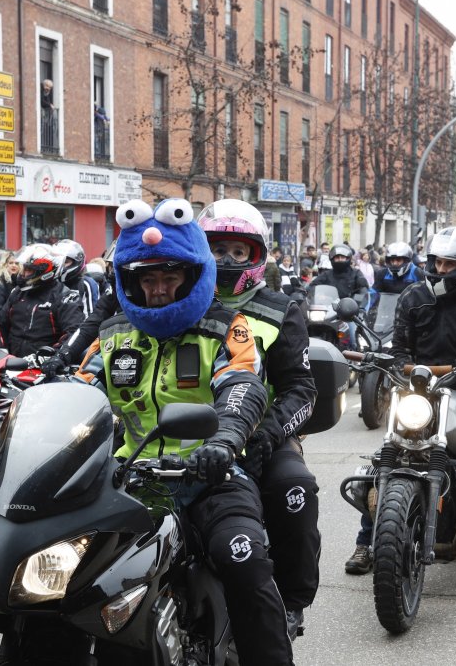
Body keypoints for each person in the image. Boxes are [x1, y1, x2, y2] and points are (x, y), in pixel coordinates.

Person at [75, 197, 293, 665]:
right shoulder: (112, 335)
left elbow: (242, 387)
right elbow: (77, 393)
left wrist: (223, 442)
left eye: (169, 278)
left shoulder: (226, 328)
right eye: (147, 279)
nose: (157, 289)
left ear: (192, 276)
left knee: (244, 561)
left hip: (210, 476)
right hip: (128, 482)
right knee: (70, 576)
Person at [345, 227, 456, 593]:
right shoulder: (413, 296)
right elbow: (400, 345)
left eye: (450, 264)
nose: (442, 269)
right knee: (389, 454)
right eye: (437, 262)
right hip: (421, 389)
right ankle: (366, 544)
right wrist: (393, 363)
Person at [198, 199, 320, 640]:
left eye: (238, 251)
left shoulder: (280, 308)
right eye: (217, 249)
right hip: (179, 433)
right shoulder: (179, 299)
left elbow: (302, 389)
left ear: (257, 256)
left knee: (295, 489)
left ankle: (290, 601)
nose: (227, 259)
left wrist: (268, 433)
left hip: (262, 435)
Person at [0, 243, 83, 359]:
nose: (24, 274)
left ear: (44, 272)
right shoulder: (18, 293)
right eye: (24, 269)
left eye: (29, 270)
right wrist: (0, 348)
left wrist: (51, 356)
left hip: (44, 364)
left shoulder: (65, 297)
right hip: (13, 361)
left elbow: (73, 333)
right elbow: (0, 323)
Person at [51, 239, 99, 317]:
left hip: (77, 324)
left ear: (76, 262)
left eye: (65, 262)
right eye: (58, 261)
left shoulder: (86, 284)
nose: (60, 265)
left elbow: (90, 317)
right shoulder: (50, 283)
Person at [0, 250, 20, 318]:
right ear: (4, 265)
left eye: (16, 263)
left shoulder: (19, 282)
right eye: (10, 263)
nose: (14, 265)